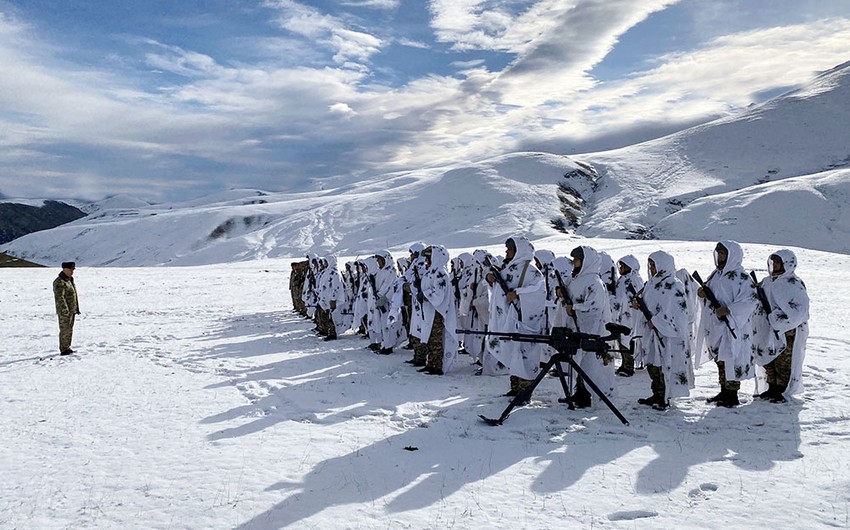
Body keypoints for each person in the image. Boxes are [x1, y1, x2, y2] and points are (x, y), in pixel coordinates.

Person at [696, 240, 758, 408]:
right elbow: (708, 291)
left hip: (735, 325)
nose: (720, 257)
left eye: (723, 253)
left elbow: (751, 300)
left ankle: (732, 394)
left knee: (732, 357)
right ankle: (724, 390)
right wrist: (702, 292)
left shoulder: (741, 277)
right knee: (721, 358)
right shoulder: (716, 274)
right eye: (719, 253)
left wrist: (730, 310)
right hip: (717, 326)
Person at [487, 237, 546, 398]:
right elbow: (500, 289)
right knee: (513, 352)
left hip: (525, 321)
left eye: (510, 249)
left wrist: (518, 295)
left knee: (526, 354)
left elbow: (538, 292)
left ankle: (525, 390)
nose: (506, 252)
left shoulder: (532, 271)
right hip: (510, 320)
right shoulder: (508, 269)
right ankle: (515, 387)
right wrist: (491, 280)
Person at [633, 251, 693, 410]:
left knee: (666, 364)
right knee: (652, 363)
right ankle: (657, 392)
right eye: (650, 265)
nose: (652, 268)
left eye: (654, 265)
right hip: (652, 332)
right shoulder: (651, 284)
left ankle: (665, 396)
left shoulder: (674, 285)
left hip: (667, 334)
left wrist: (658, 321)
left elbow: (677, 312)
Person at [751, 249, 810, 403]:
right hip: (767, 328)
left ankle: (781, 390)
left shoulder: (794, 284)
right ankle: (771, 387)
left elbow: (800, 310)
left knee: (784, 360)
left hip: (788, 330)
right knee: (769, 357)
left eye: (779, 262)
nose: (775, 265)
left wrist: (780, 322)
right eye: (773, 262)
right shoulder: (766, 282)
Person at [565, 246, 614, 408]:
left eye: (577, 260)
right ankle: (579, 393)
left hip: (592, 329)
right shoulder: (575, 279)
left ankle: (591, 394)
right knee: (578, 362)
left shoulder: (595, 282)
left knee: (590, 364)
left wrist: (575, 308)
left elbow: (594, 306)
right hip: (576, 328)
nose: (574, 263)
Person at [417, 245, 459, 375]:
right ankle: (431, 363)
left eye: (429, 257)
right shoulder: (431, 272)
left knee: (436, 339)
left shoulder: (440, 273)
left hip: (437, 312)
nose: (426, 260)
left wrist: (425, 294)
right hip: (429, 311)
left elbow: (439, 295)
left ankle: (437, 365)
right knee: (430, 338)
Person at [611, 255, 643, 376]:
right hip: (623, 315)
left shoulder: (633, 280)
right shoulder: (624, 279)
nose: (620, 268)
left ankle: (628, 366)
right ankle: (624, 363)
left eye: (622, 266)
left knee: (628, 340)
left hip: (630, 315)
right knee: (622, 339)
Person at [53, 261, 80, 355]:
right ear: (65, 269)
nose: (72, 271)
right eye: (70, 269)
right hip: (65, 311)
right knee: (65, 329)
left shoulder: (69, 280)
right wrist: (65, 310)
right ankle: (64, 349)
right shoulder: (60, 282)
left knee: (69, 329)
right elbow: (60, 297)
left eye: (73, 269)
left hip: (71, 309)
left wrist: (75, 308)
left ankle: (67, 347)